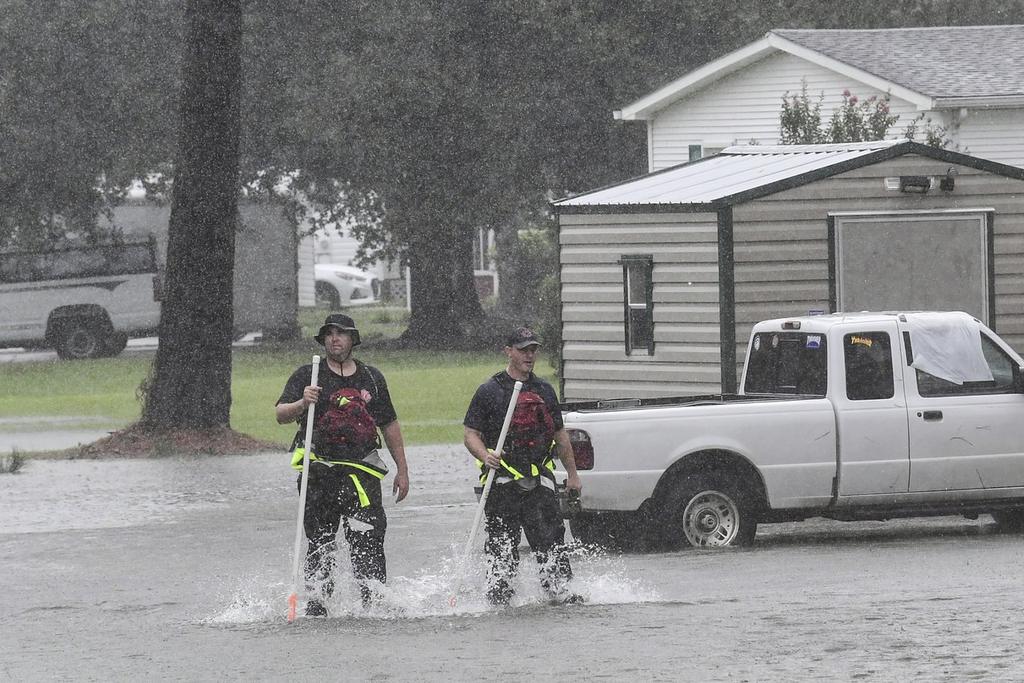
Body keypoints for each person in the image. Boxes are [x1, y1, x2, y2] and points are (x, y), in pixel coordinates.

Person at [276, 313, 410, 616]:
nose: (335, 338)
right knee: (320, 543)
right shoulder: (307, 375)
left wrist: (402, 470)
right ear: (324, 340)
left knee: (368, 540)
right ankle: (318, 606)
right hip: (318, 476)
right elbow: (281, 414)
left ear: (353, 340)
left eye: (341, 333)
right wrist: (302, 403)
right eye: (330, 334)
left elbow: (389, 424)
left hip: (361, 477)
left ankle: (374, 604)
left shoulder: (372, 378)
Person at [463, 326, 584, 606]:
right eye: (523, 350)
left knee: (552, 540)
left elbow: (560, 435)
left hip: (539, 482)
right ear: (508, 351)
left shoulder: (544, 390)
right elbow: (470, 434)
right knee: (501, 545)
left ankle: (559, 593)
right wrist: (485, 455)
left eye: (533, 350)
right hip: (503, 483)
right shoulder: (489, 390)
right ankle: (500, 598)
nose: (529, 355)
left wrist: (573, 475)